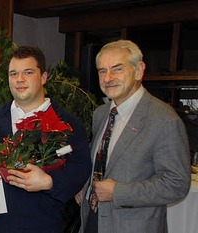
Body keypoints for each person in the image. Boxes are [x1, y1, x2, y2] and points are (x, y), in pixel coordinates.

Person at [0, 46, 92, 233]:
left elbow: (81, 167)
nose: (19, 80)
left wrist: (50, 181)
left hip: (44, 225)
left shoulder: (66, 124)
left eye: (28, 72)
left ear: (43, 77)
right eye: (13, 74)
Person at [78, 40, 190, 233]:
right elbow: (102, 163)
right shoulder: (101, 113)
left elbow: (177, 183)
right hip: (92, 219)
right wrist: (85, 185)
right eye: (102, 71)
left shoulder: (164, 119)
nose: (108, 78)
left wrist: (118, 193)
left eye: (117, 69)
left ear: (139, 70)